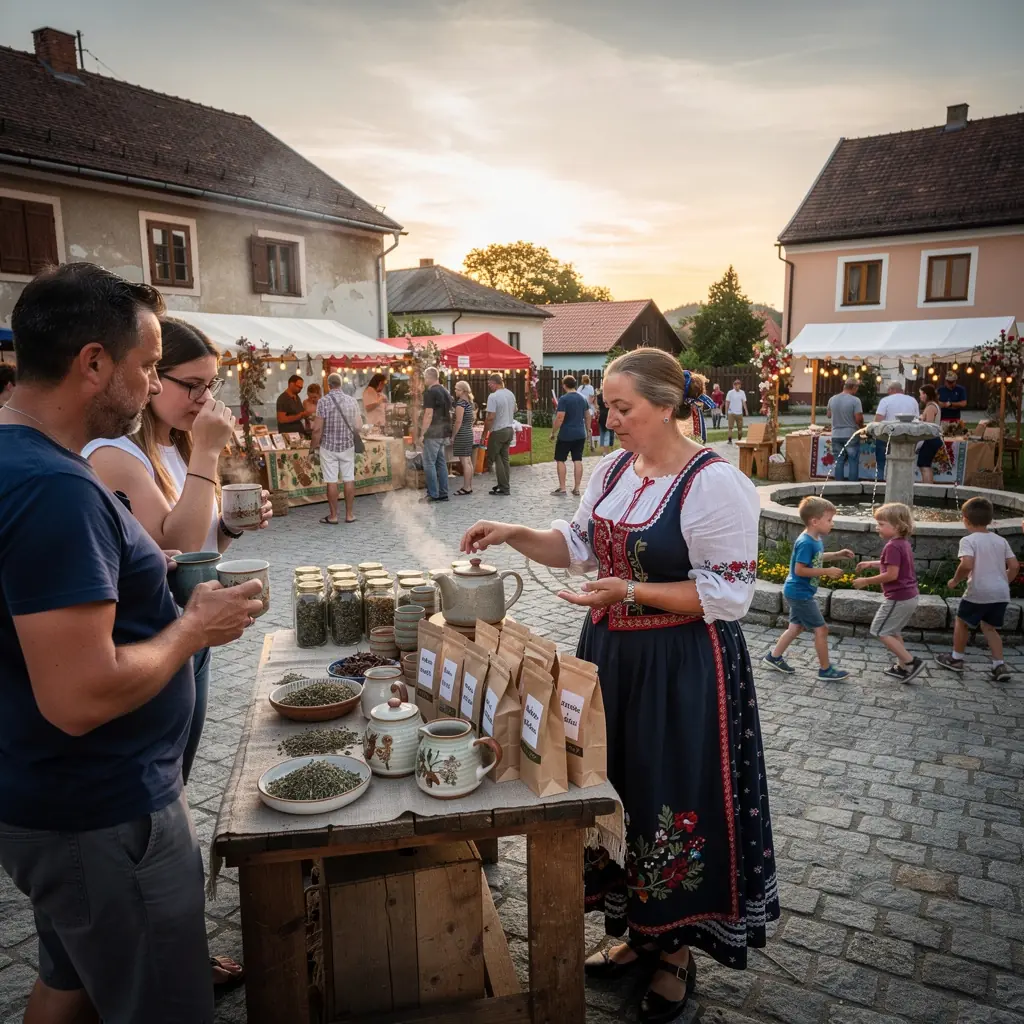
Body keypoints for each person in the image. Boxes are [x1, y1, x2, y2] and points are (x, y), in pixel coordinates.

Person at [460, 350, 777, 1022]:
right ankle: (639, 931)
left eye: (622, 407)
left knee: (669, 791)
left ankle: (675, 954)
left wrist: (631, 590)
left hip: (680, 665)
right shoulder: (611, 470)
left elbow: (729, 595)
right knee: (617, 789)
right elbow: (576, 546)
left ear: (666, 406)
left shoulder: (713, 483)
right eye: (607, 405)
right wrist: (514, 533)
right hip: (609, 657)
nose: (610, 419)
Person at [0, 262, 264, 1024]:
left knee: (71, 985)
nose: (151, 386)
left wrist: (151, 573)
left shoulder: (24, 461)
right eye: (147, 366)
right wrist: (192, 628)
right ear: (92, 363)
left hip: (53, 800)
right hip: (103, 812)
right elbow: (80, 696)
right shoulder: (55, 489)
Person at [83, 317, 272, 783]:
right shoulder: (113, 453)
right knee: (164, 775)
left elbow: (202, 545)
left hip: (190, 631)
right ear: (152, 377)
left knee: (179, 770)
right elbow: (178, 546)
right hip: (150, 642)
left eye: (211, 385)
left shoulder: (178, 445)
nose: (205, 399)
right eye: (191, 385)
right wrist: (208, 453)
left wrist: (229, 526)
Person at [762, 496, 853, 680]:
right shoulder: (806, 542)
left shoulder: (814, 539)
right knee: (822, 629)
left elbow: (816, 558)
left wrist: (837, 554)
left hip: (798, 592)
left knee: (796, 627)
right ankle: (825, 669)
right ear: (814, 521)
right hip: (800, 593)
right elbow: (800, 570)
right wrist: (826, 571)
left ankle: (773, 657)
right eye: (829, 520)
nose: (832, 523)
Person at [936, 496, 1019, 682]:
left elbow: (966, 564)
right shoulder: (1001, 540)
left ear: (965, 519)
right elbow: (1014, 566)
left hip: (979, 591)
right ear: (990, 519)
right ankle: (999, 665)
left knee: (962, 621)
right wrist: (1002, 582)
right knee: (989, 628)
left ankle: (956, 658)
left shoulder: (968, 540)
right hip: (1000, 593)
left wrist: (955, 580)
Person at [852, 503, 925, 682]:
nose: (877, 527)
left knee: (879, 630)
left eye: (881, 524)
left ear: (898, 526)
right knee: (893, 631)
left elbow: (892, 574)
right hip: (910, 596)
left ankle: (911, 662)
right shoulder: (903, 544)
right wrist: (871, 563)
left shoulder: (892, 546)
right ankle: (902, 667)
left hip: (898, 597)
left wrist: (866, 581)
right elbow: (892, 564)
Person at [311, 372, 363, 524]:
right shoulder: (352, 401)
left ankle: (333, 516)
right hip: (347, 446)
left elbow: (317, 429)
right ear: (341, 384)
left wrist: (312, 447)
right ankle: (349, 515)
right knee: (349, 479)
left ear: (328, 385)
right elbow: (359, 426)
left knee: (331, 481)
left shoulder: (323, 402)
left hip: (328, 447)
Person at [551, 374, 591, 496]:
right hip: (580, 433)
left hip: (566, 434)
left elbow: (560, 417)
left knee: (560, 459)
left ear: (564, 385)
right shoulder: (583, 398)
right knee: (577, 459)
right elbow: (587, 415)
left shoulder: (564, 399)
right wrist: (588, 429)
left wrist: (553, 432)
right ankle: (577, 488)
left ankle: (562, 488)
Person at [873, 381, 920, 480]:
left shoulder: (885, 400)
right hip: (907, 436)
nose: (888, 392)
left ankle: (880, 483)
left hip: (887, 435)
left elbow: (878, 420)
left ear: (892, 390)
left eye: (888, 390)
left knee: (881, 462)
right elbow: (917, 420)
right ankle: (903, 482)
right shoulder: (913, 400)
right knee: (905, 462)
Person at [420, 366, 452, 503]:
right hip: (444, 431)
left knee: (429, 463)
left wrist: (422, 433)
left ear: (429, 377)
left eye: (425, 378)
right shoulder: (445, 391)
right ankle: (443, 493)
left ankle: (432, 493)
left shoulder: (430, 392)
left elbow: (428, 414)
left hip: (433, 432)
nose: (424, 380)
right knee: (441, 463)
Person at [484, 372, 517, 496]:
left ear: (494, 383)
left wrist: (484, 433)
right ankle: (504, 484)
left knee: (496, 458)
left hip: (498, 430)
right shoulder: (510, 394)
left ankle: (504, 487)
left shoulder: (493, 396)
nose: (489, 386)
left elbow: (490, 417)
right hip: (509, 428)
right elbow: (515, 409)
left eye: (489, 384)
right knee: (505, 459)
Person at [827, 378, 864, 481]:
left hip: (836, 434)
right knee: (853, 461)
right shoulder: (855, 400)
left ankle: (839, 484)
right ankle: (852, 486)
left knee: (839, 461)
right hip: (850, 434)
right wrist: (862, 427)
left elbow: (829, 415)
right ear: (854, 387)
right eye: (857, 388)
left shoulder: (832, 399)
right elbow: (858, 419)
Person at [452, 379, 476, 495]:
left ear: (462, 391)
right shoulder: (470, 403)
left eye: (457, 389)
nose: (455, 391)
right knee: (468, 461)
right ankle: (469, 486)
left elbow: (458, 421)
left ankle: (466, 487)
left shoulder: (461, 404)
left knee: (465, 462)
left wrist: (453, 436)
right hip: (468, 432)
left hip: (462, 434)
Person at [917, 384, 943, 484]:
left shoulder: (931, 407)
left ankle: (927, 487)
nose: (920, 396)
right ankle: (927, 485)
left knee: (924, 465)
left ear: (926, 394)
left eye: (921, 394)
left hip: (931, 439)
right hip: (933, 438)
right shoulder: (933, 405)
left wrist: (920, 421)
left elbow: (929, 425)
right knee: (925, 464)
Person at [724, 378, 747, 443]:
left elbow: (744, 402)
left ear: (740, 385)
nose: (737, 386)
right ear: (733, 386)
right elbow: (727, 402)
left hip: (739, 413)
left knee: (740, 428)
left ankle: (739, 439)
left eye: (738, 385)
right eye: (736, 385)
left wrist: (746, 410)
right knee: (730, 427)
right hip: (731, 413)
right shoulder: (730, 392)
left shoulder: (742, 392)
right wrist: (726, 412)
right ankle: (730, 439)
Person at [578, 373, 597, 451]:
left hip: (581, 409)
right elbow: (591, 398)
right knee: (589, 427)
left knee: (582, 425)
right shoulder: (591, 387)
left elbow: (578, 397)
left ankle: (583, 441)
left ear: (582, 380)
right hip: (589, 409)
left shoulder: (580, 388)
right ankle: (591, 443)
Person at [596, 387, 615, 454]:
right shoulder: (611, 395)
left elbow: (597, 405)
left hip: (602, 416)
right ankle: (608, 450)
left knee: (603, 433)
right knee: (609, 433)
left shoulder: (599, 396)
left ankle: (604, 450)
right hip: (609, 414)